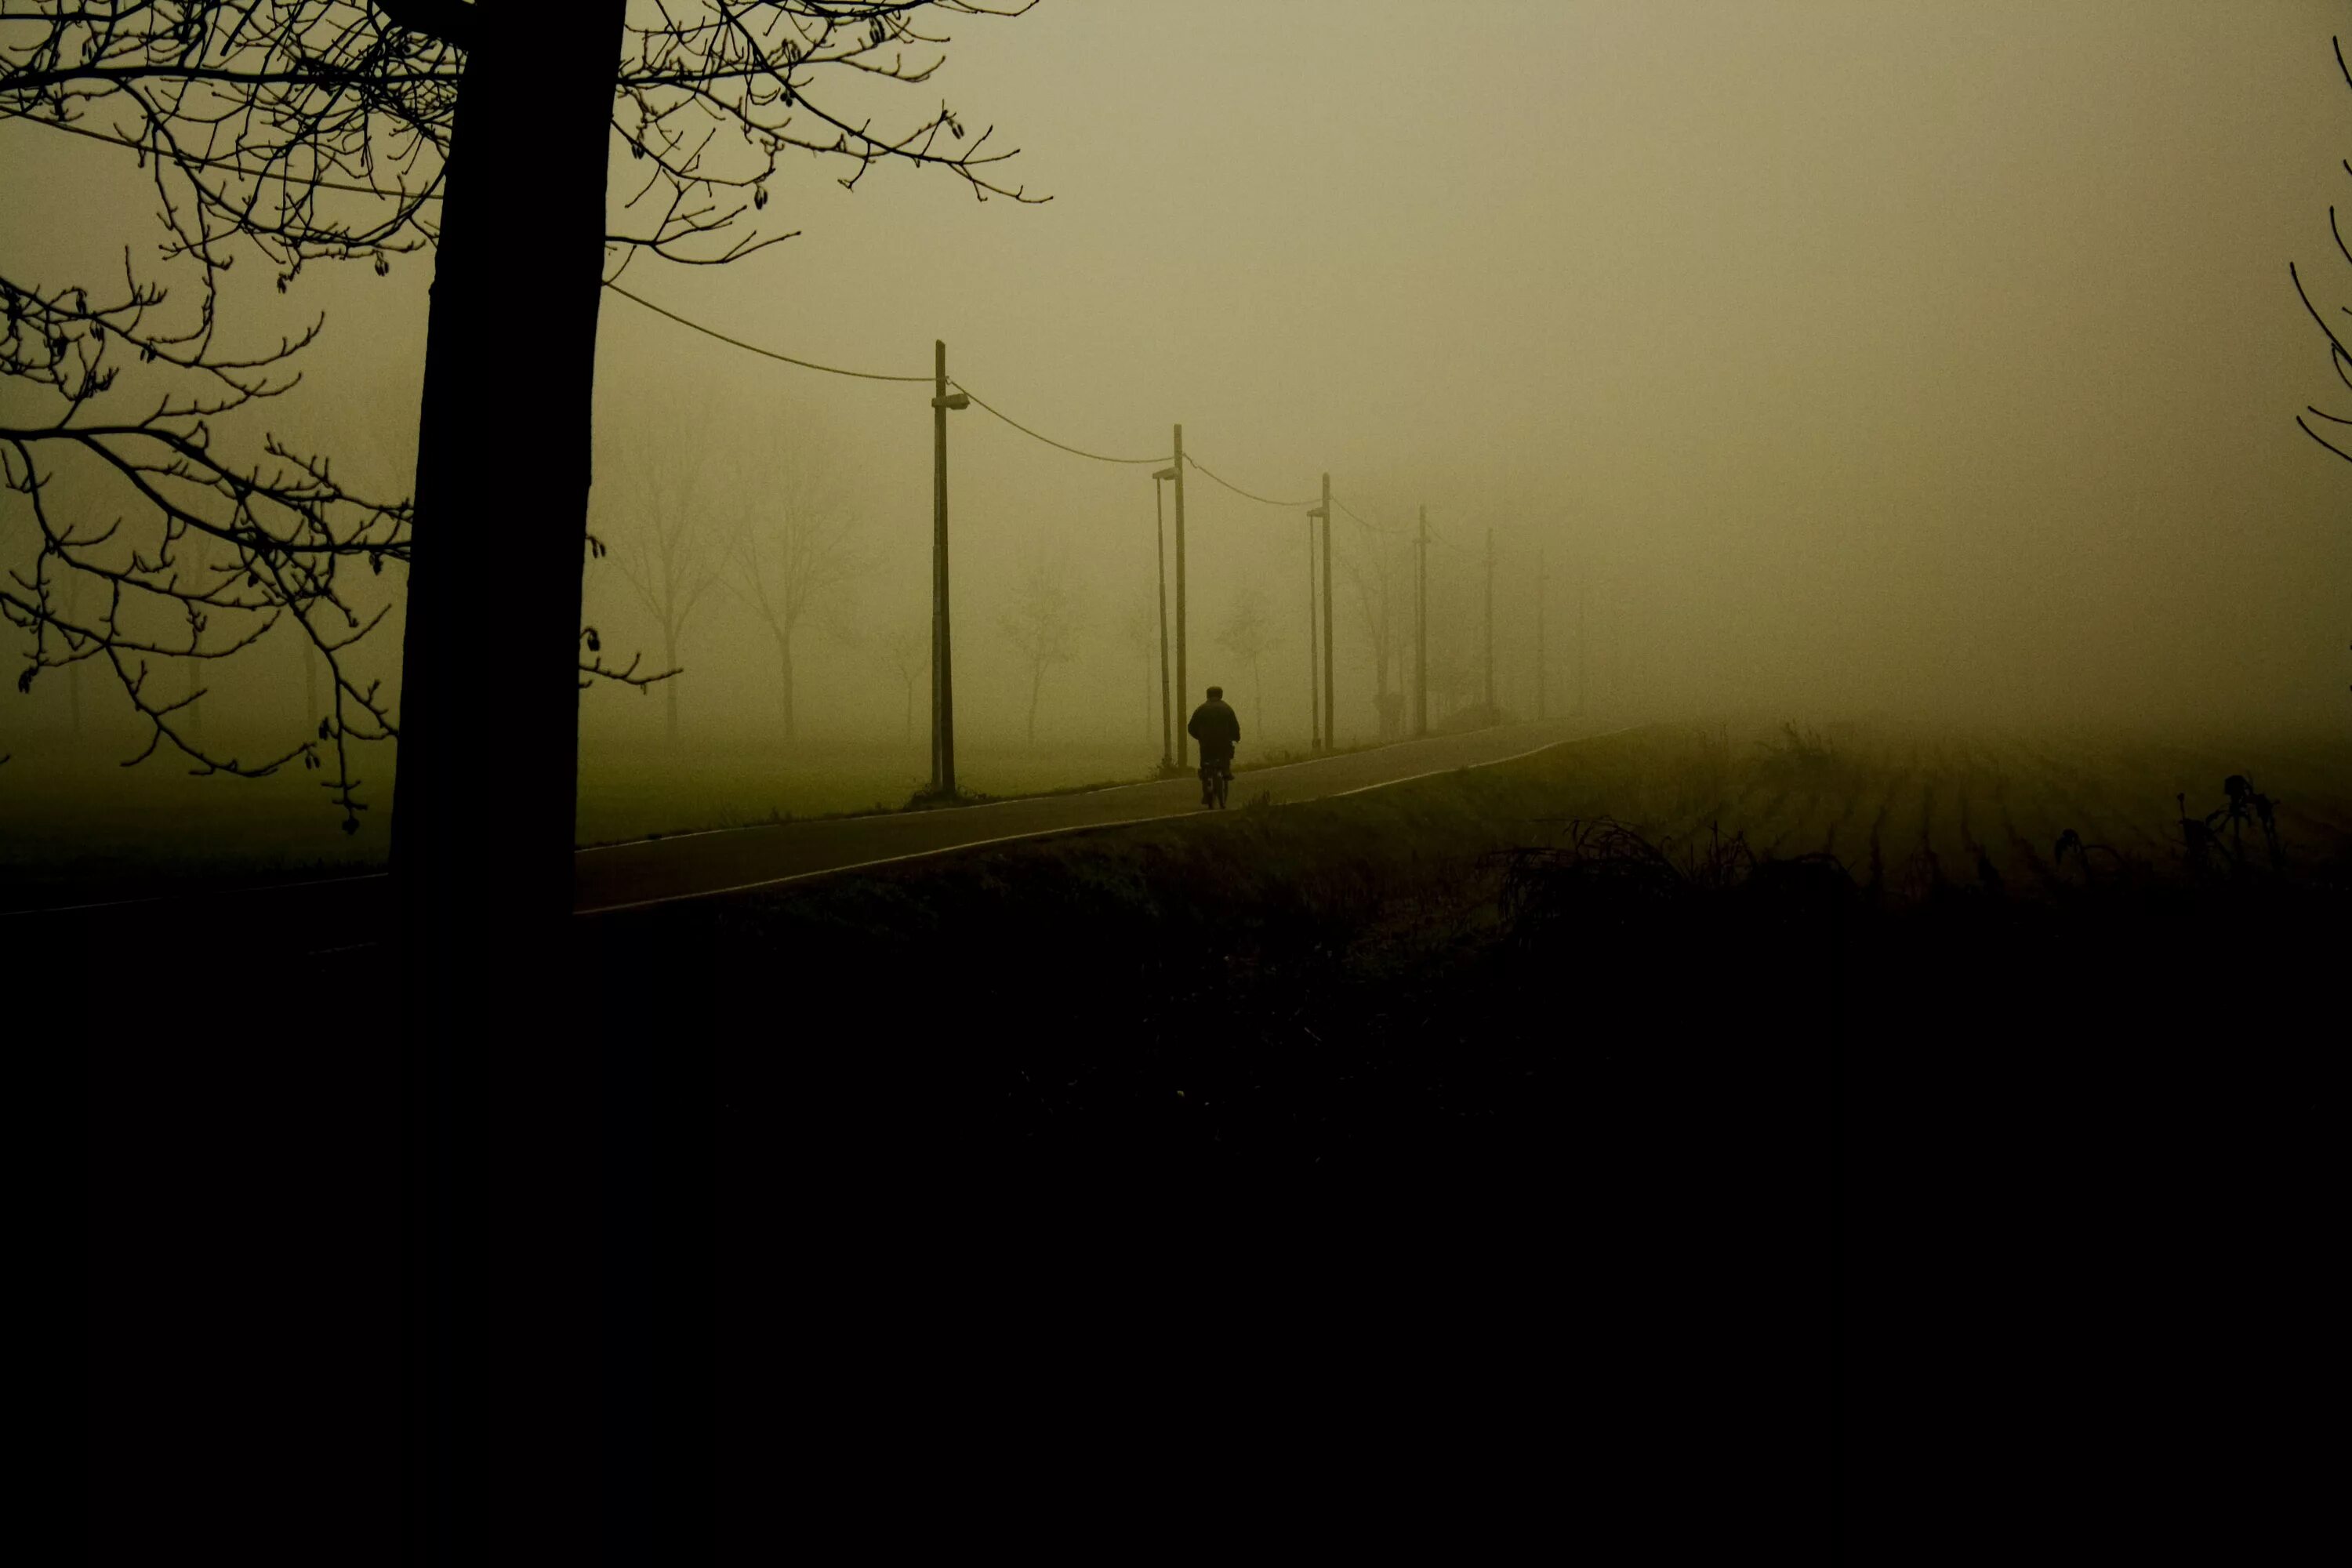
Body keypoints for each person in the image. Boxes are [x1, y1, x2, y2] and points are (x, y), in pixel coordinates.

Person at [1185, 685, 1240, 807]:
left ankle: (1206, 788)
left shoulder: (1201, 709)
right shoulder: (1227, 708)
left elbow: (1191, 727)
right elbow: (1235, 727)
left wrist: (1200, 737)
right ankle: (1226, 771)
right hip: (1223, 742)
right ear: (1221, 695)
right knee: (1226, 755)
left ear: (1207, 695)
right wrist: (1235, 738)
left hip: (1206, 743)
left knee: (1205, 765)